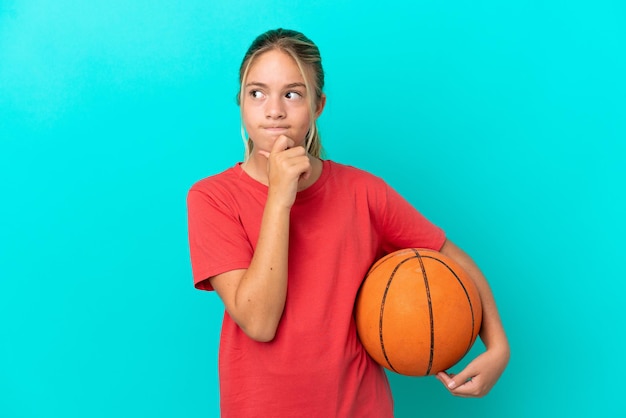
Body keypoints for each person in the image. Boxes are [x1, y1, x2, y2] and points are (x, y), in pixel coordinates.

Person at [187, 28, 509, 417]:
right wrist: (279, 198)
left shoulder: (364, 192)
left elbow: (454, 261)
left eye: (293, 93)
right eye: (257, 93)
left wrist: (498, 347)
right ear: (240, 102)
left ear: (318, 105)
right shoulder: (212, 198)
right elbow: (259, 322)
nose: (274, 110)